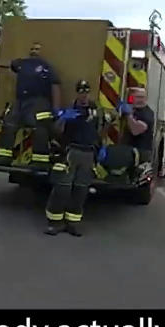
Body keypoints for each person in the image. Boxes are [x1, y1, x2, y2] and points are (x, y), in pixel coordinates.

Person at [44, 80, 102, 237]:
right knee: (62, 188)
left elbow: (101, 130)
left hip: (88, 153)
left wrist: (101, 149)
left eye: (86, 92)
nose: (84, 95)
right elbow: (57, 130)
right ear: (77, 93)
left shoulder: (95, 110)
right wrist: (64, 118)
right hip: (71, 152)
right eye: (81, 92)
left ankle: (72, 223)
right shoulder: (69, 110)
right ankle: (54, 223)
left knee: (81, 190)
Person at [0, 42, 62, 169]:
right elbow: (9, 64)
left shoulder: (46, 67)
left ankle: (40, 161)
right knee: (9, 123)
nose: (34, 51)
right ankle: (3, 157)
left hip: (39, 101)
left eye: (37, 49)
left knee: (40, 128)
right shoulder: (22, 63)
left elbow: (55, 85)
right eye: (32, 48)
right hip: (21, 101)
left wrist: (56, 108)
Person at [121, 87, 156, 164]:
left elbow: (135, 130)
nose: (140, 100)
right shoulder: (133, 110)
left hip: (141, 153)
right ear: (131, 98)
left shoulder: (147, 113)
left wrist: (128, 115)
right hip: (129, 151)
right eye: (137, 97)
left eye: (142, 97)